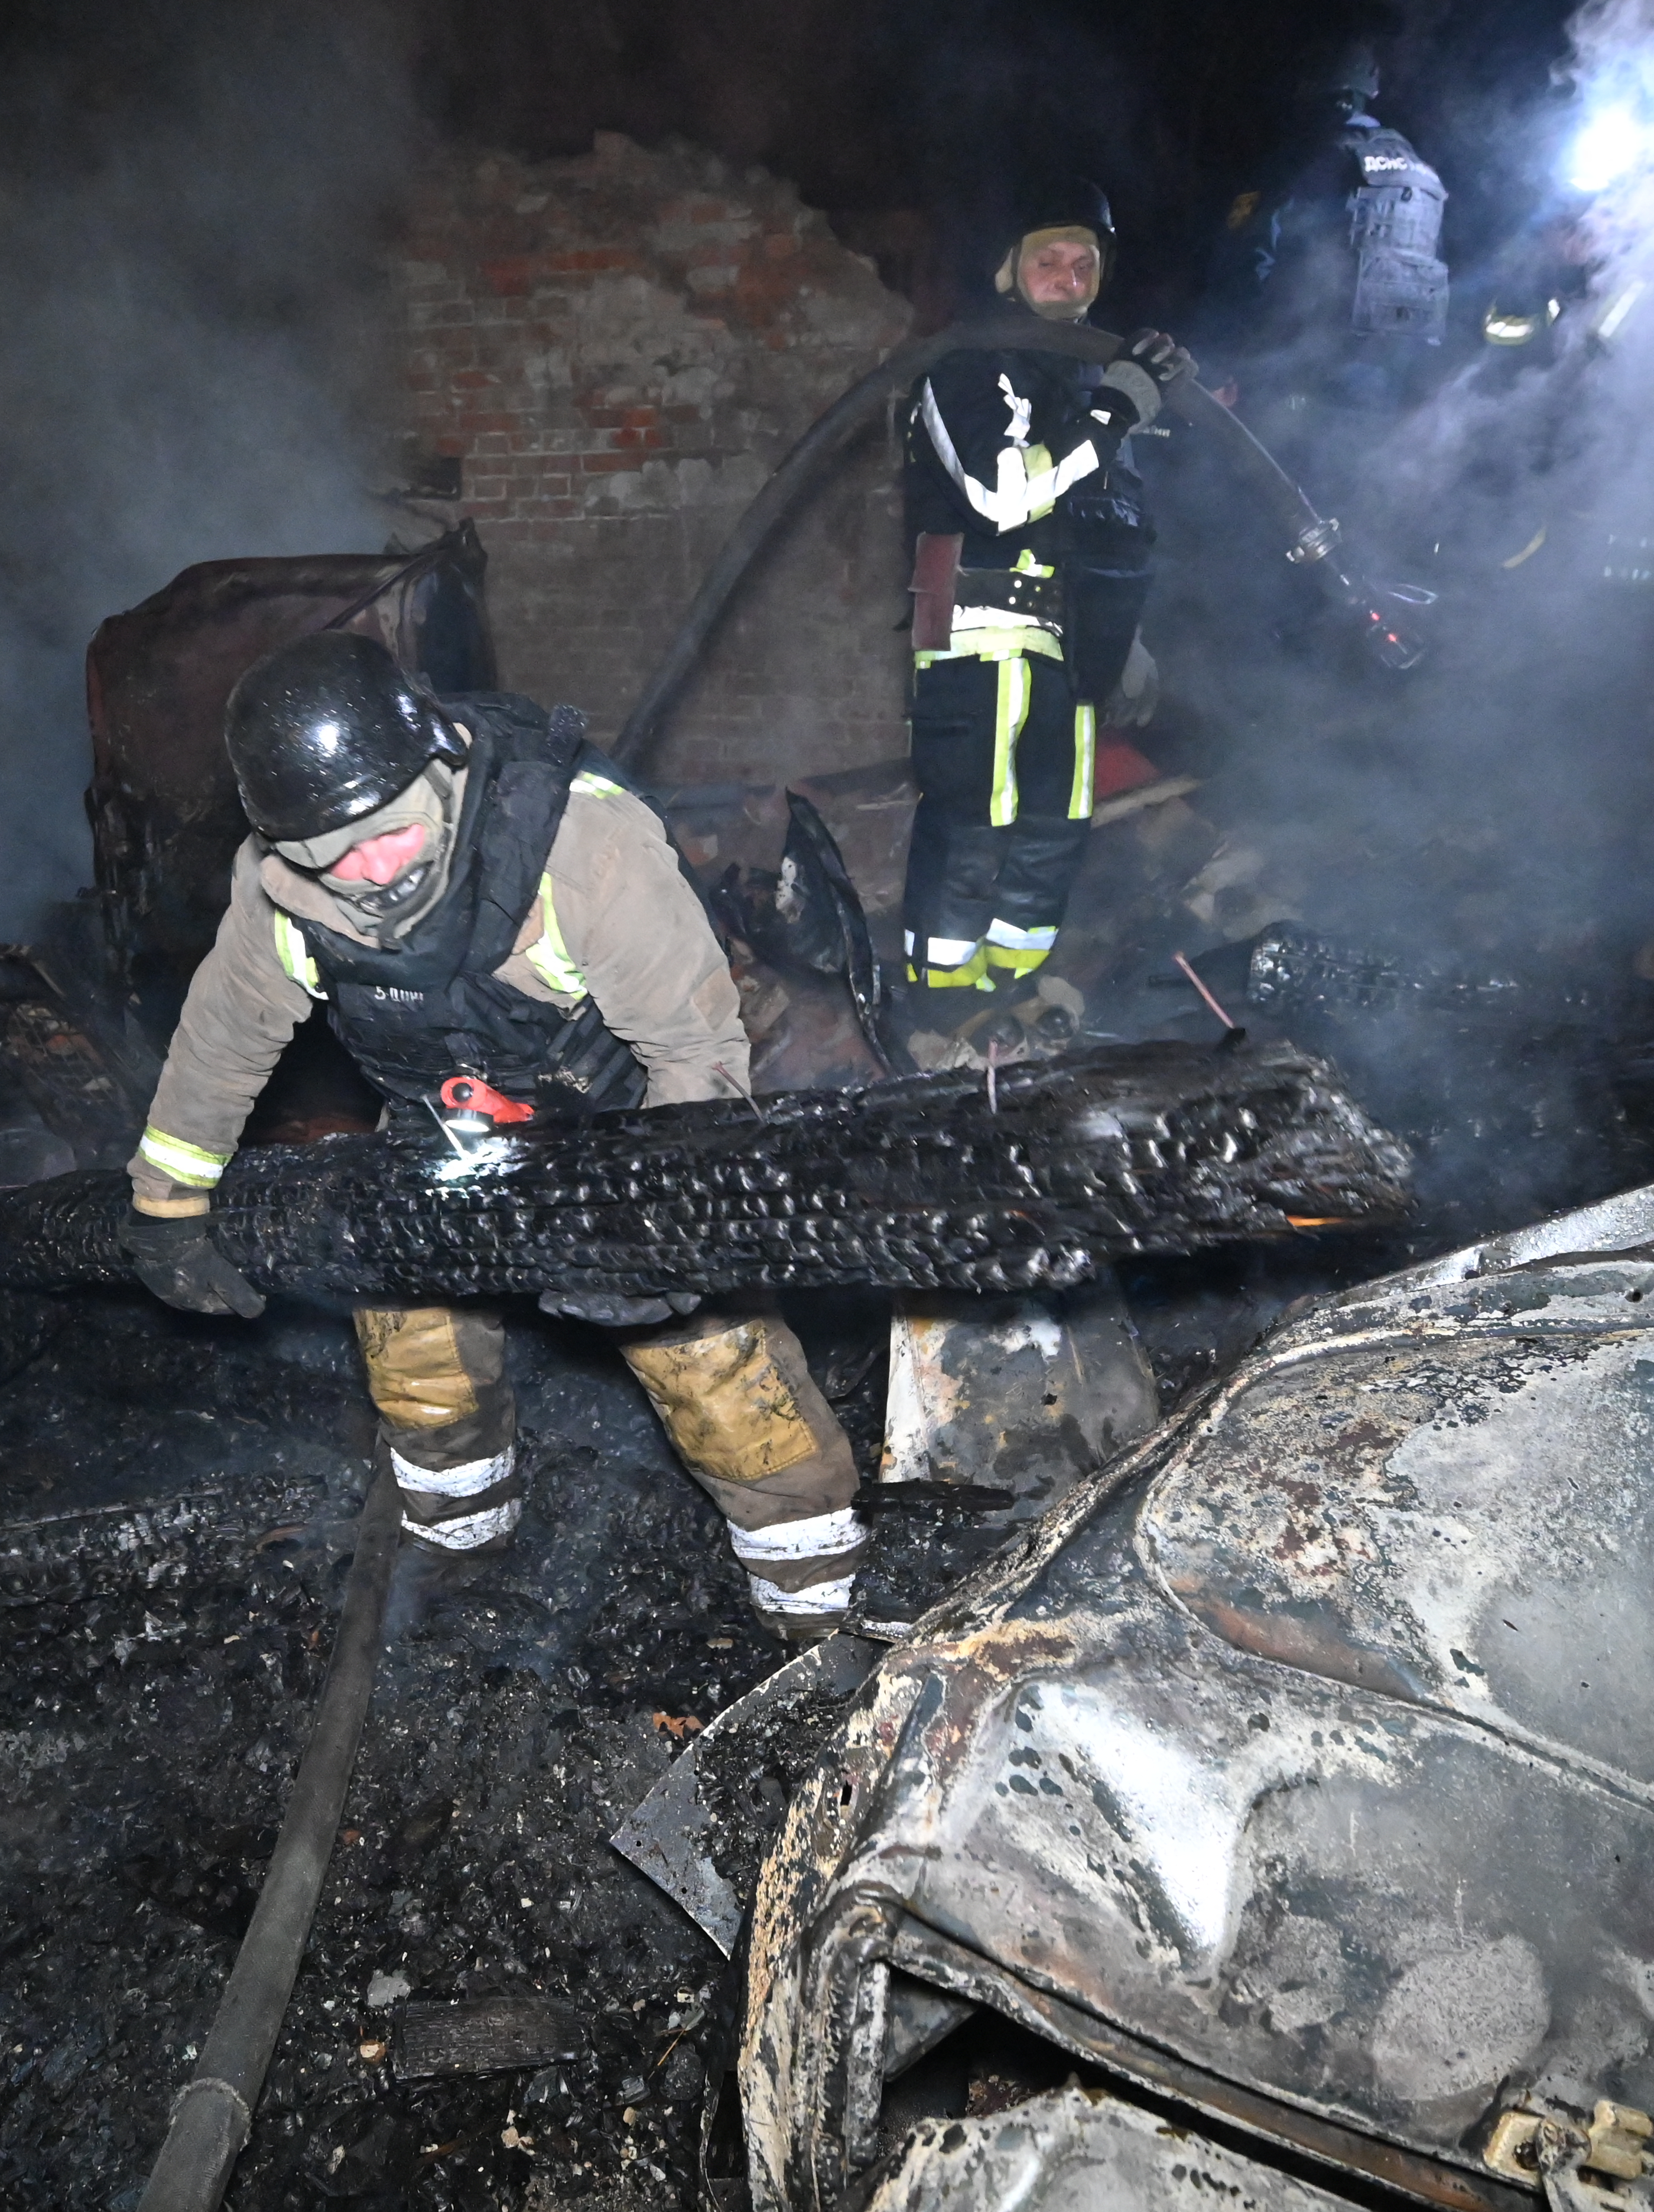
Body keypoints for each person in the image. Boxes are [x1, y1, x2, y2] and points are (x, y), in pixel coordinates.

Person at [120, 633, 870, 1636]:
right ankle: (458, 1538)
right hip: (440, 1118)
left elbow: (696, 1054)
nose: (371, 871)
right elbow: (227, 1032)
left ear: (436, 768)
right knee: (406, 1325)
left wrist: (652, 1225)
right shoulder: (280, 895)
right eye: (332, 852)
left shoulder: (584, 848)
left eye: (389, 831)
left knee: (707, 1357)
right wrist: (167, 1201)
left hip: (620, 1121)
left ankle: (812, 1593)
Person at [898, 175, 1171, 1025]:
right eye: (1047, 260)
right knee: (972, 828)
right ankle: (937, 1017)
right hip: (979, 637)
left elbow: (1113, 533)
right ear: (1007, 270)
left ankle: (1011, 1008)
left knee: (1055, 829)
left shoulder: (1082, 386)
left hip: (1071, 643)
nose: (1067, 277)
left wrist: (1125, 637)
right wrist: (1114, 414)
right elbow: (1001, 494)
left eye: (1083, 263)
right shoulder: (968, 368)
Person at [1206, 43, 1450, 418]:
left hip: (1304, 368)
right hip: (1392, 377)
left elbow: (1252, 260)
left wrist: (1230, 358)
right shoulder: (1419, 169)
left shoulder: (1313, 159)